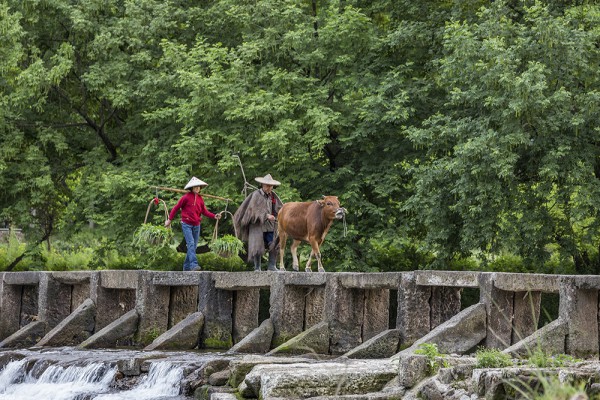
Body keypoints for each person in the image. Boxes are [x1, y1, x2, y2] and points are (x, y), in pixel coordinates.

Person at [165, 177, 221, 271]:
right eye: (195, 187)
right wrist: (169, 220)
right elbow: (175, 208)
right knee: (190, 244)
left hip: (196, 225)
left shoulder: (200, 199)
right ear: (191, 188)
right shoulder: (186, 197)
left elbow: (204, 211)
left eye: (198, 187)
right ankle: (194, 265)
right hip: (186, 224)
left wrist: (214, 216)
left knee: (193, 246)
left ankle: (186, 268)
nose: (197, 189)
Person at [233, 174, 283, 271]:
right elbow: (253, 210)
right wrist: (266, 215)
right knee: (257, 245)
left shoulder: (273, 196)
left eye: (271, 186)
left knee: (275, 243)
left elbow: (280, 208)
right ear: (262, 185)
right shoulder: (256, 195)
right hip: (257, 225)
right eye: (267, 185)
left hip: (270, 226)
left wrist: (280, 215)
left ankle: (272, 266)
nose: (269, 188)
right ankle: (257, 267)